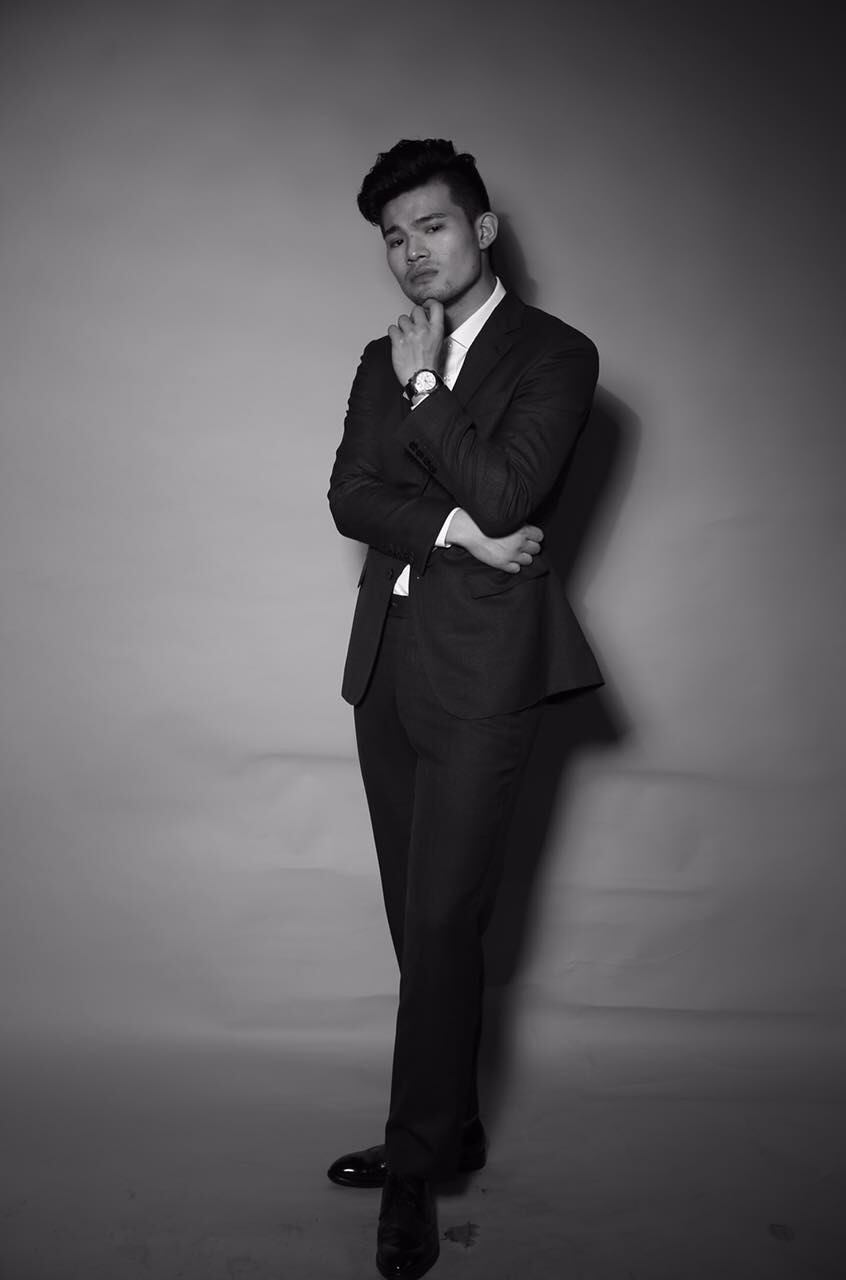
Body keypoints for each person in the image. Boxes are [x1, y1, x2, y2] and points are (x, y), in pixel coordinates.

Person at [327, 138, 602, 1279]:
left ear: (482, 230)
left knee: (444, 920)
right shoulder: (376, 353)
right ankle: (450, 1124)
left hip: (486, 675)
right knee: (416, 919)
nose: (412, 253)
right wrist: (457, 532)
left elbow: (510, 490)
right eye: (394, 237)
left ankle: (414, 1168)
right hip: (388, 664)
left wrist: (428, 388)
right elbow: (351, 496)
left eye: (432, 226)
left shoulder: (557, 354)